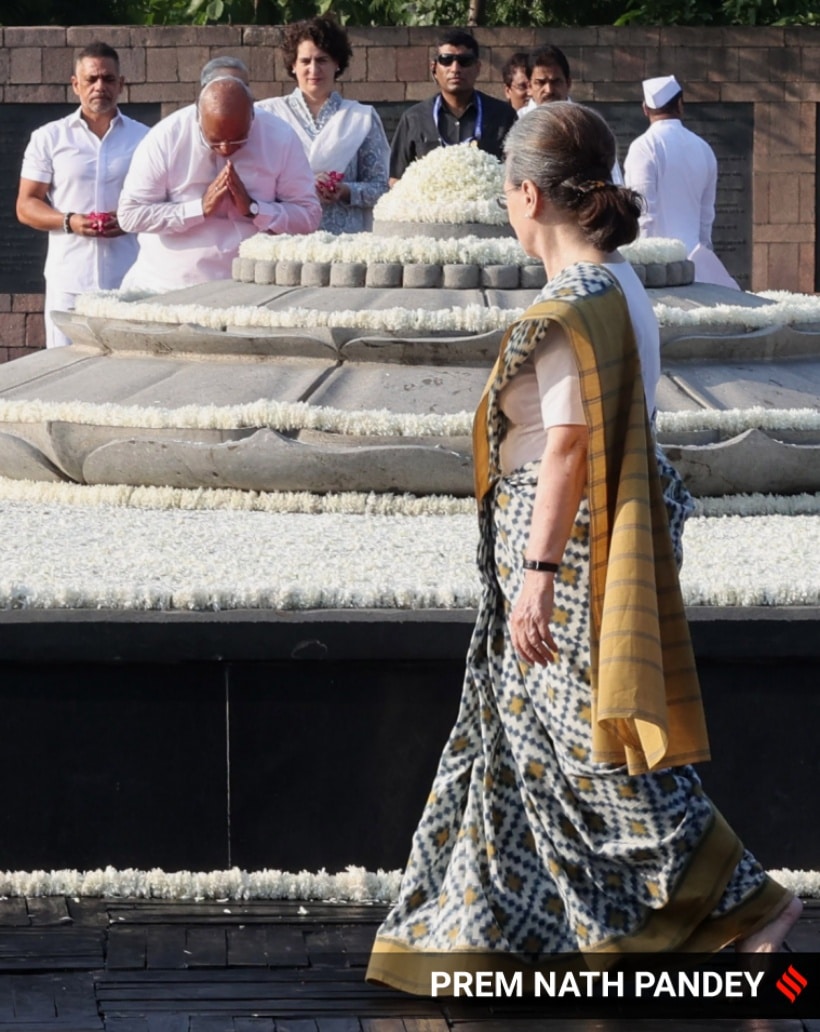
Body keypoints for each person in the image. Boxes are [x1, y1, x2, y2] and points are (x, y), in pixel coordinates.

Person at [367, 102, 801, 993]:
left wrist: (535, 574)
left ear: (528, 194)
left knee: (593, 757)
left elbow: (567, 442)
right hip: (572, 547)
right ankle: (495, 934)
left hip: (565, 559)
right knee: (523, 754)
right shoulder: (619, 285)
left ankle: (751, 903)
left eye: (507, 199)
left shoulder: (578, 300)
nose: (506, 213)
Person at [118, 76, 321, 293]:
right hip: (168, 287)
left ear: (253, 116)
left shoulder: (280, 137)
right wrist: (198, 209)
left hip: (252, 289)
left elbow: (309, 216)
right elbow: (129, 215)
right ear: (197, 118)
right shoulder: (166, 137)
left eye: (239, 139)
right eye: (214, 139)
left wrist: (255, 209)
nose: (225, 149)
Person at [15, 41, 149, 348]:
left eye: (108, 79)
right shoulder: (49, 138)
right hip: (69, 280)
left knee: (127, 371)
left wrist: (129, 219)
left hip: (128, 278)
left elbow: (160, 200)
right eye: (91, 79)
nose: (100, 86)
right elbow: (26, 205)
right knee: (63, 372)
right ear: (76, 85)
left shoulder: (145, 138)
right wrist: (70, 221)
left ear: (121, 84)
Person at [257, 16, 389, 235]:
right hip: (285, 240)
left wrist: (345, 190)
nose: (313, 69)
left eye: (322, 60)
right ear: (293, 65)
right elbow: (255, 185)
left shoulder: (361, 118)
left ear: (337, 64)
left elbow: (380, 188)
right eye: (305, 61)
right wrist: (304, 186)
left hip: (345, 244)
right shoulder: (267, 115)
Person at [624, 74, 738, 288]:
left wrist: (642, 273)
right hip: (696, 269)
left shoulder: (643, 147)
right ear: (680, 105)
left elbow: (643, 215)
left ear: (645, 109)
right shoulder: (703, 148)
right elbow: (706, 219)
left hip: (658, 272)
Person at [389, 29, 517, 186]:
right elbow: (396, 179)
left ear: (478, 68)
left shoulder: (503, 116)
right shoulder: (414, 118)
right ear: (434, 68)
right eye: (446, 60)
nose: (455, 69)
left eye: (465, 61)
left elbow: (518, 175)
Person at [522, 45, 623, 184]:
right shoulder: (515, 123)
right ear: (529, 86)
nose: (549, 90)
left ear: (568, 83)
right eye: (540, 83)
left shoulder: (589, 124)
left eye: (556, 82)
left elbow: (614, 180)